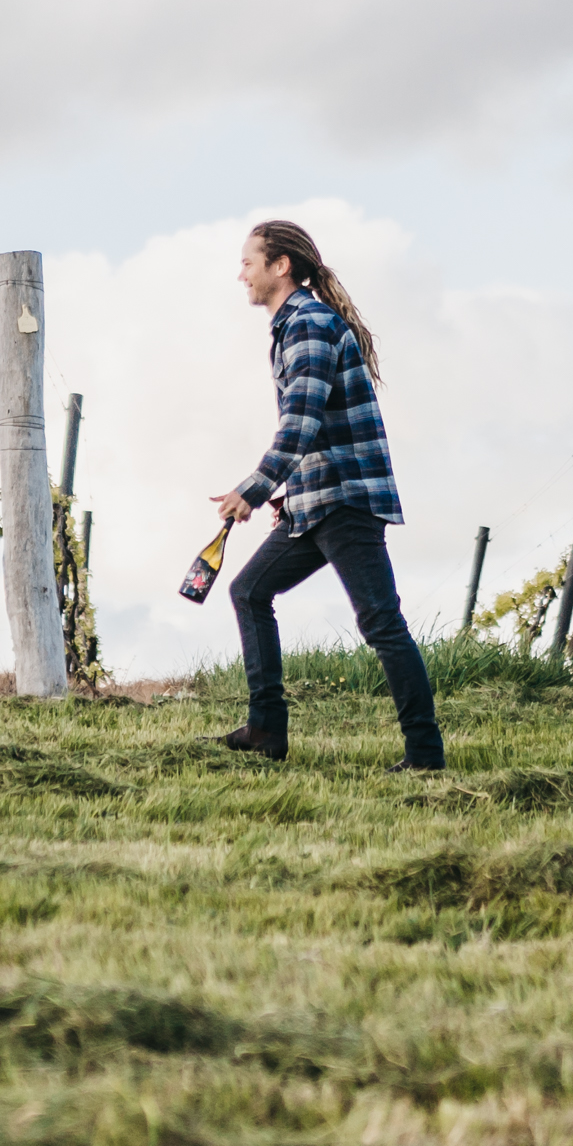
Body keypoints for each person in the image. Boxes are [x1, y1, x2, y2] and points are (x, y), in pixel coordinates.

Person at [210, 219, 443, 771]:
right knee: (249, 592)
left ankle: (425, 754)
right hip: (319, 500)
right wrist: (290, 496)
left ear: (280, 265)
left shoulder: (309, 324)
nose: (239, 272)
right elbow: (316, 430)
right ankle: (266, 730)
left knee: (381, 623)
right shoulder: (295, 325)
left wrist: (253, 489)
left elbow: (302, 422)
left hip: (347, 500)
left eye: (248, 261)